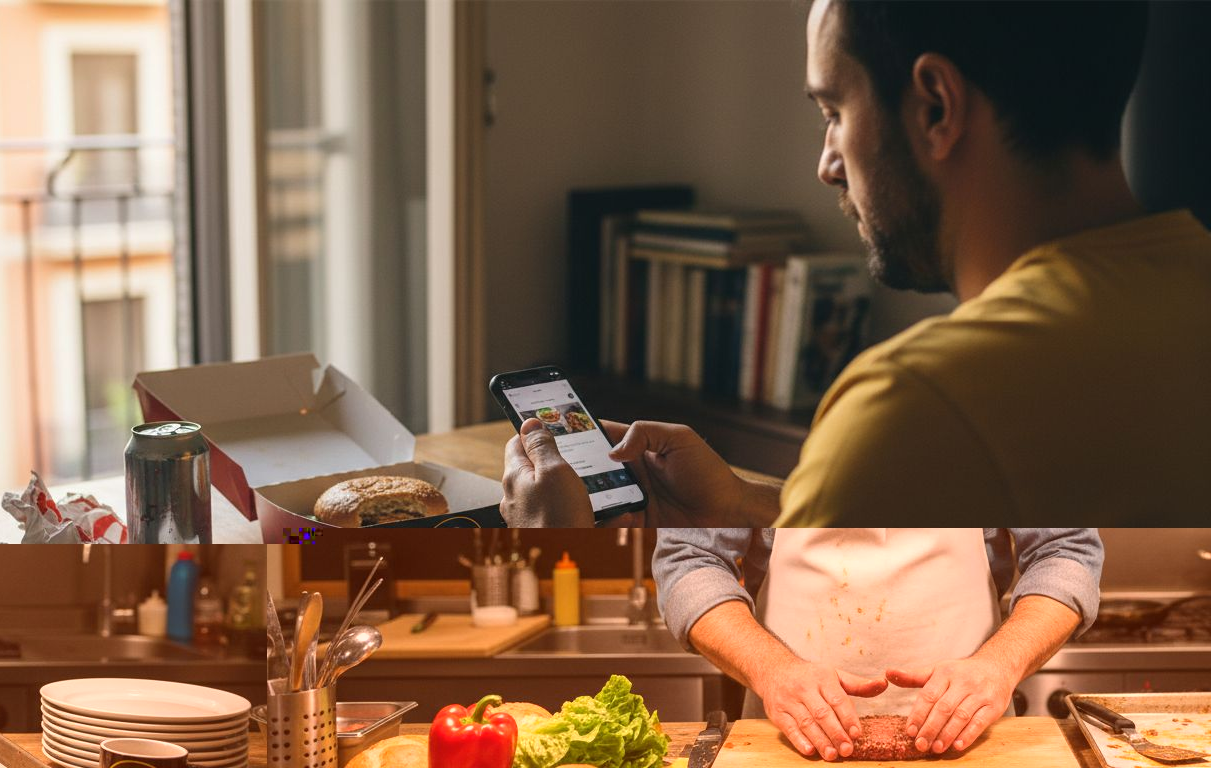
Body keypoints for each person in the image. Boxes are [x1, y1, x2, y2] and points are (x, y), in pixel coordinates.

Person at [499, 0, 1211, 527]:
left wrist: (559, 552)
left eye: (834, 110)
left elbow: (787, 704)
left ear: (935, 106)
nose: (826, 165)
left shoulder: (915, 406)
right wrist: (752, 506)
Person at [652, 527, 1102, 760]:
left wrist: (1000, 665)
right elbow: (690, 559)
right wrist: (771, 670)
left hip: (976, 737)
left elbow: (1065, 551)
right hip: (791, 740)